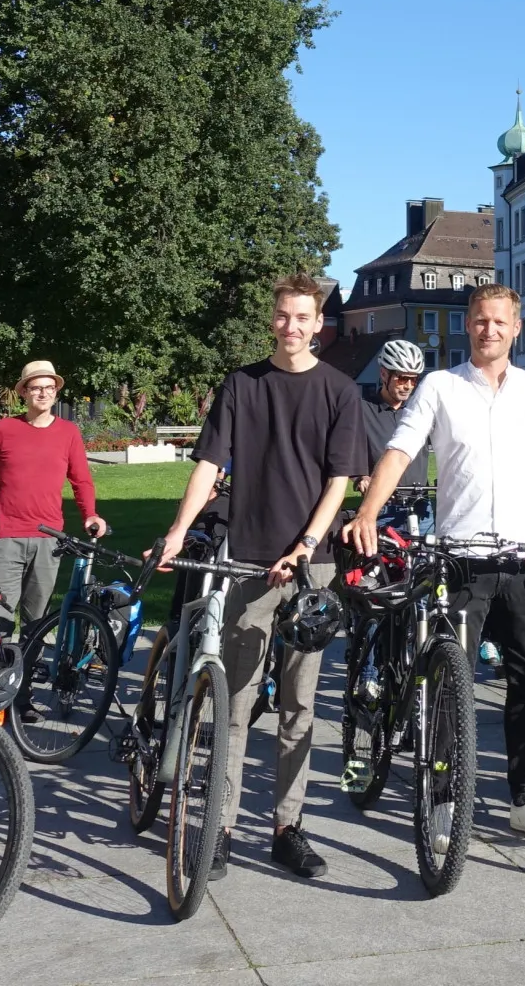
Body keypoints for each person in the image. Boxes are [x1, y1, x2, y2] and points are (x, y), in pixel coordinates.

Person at [155, 272, 368, 881]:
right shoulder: (241, 386)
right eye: (283, 316)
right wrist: (177, 530)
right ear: (272, 318)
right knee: (236, 700)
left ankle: (286, 827)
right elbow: (207, 466)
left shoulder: (338, 391)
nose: (291, 326)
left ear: (319, 323)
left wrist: (303, 548)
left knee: (301, 705)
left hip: (310, 570)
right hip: (245, 559)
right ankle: (219, 828)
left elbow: (339, 483)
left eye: (303, 317)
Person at [346, 282, 525, 843]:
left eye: (499, 321)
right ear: (468, 325)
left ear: (517, 328)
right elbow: (400, 451)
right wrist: (370, 512)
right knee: (451, 681)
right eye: (479, 320)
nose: (488, 329)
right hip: (460, 556)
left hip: (522, 557)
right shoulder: (439, 387)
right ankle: (443, 797)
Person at [0, 360, 107, 643]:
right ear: (24, 392)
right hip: (7, 538)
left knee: (37, 622)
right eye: (36, 388)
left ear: (56, 392)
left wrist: (90, 514)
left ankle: (25, 682)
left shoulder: (68, 433)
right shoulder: (4, 429)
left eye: (49, 388)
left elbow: (81, 480)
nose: (43, 394)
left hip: (49, 539)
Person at [356, 339, 430, 493]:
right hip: (383, 505)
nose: (408, 385)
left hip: (421, 504)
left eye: (414, 379)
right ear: (384, 374)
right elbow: (347, 452)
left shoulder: (419, 410)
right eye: (403, 378)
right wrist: (361, 477)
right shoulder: (362, 411)